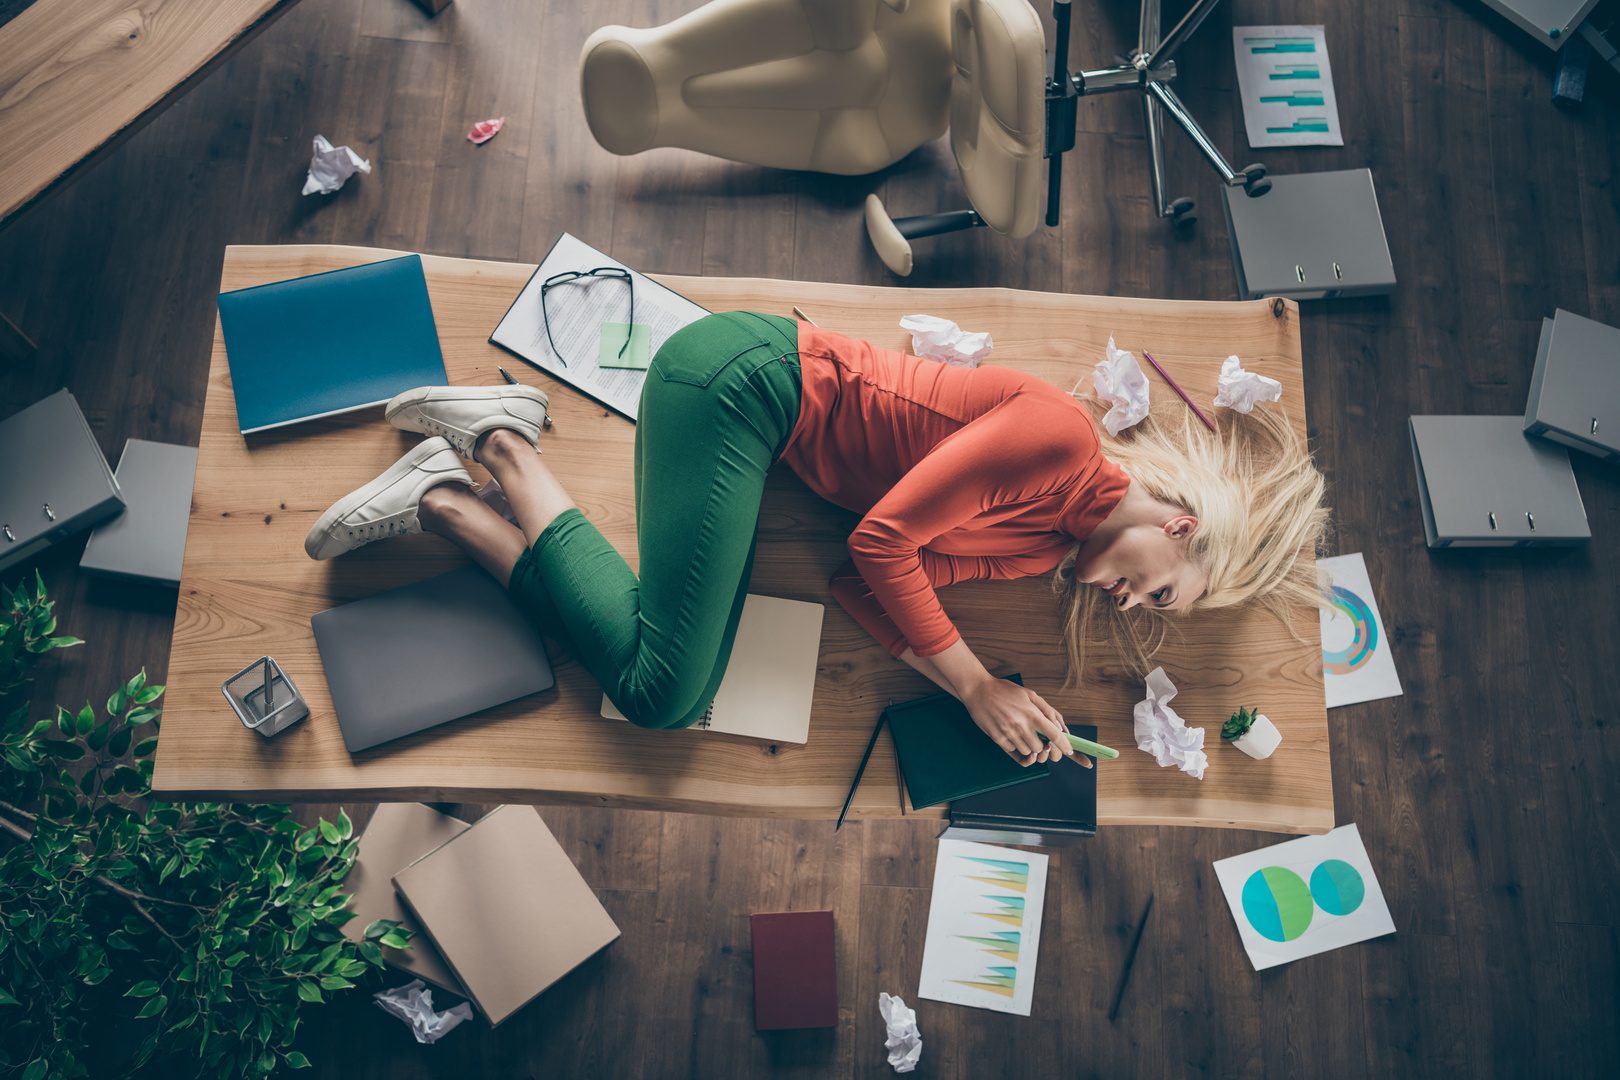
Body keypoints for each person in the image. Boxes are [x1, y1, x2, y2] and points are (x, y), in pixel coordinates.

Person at [305, 312, 1327, 766]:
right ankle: (493, 450)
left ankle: (457, 488)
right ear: (1177, 526)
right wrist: (975, 685)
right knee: (664, 695)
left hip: (762, 443)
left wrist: (986, 702)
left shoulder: (1038, 553)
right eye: (1160, 591)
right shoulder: (1061, 439)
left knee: (670, 696)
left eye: (1150, 614)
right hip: (741, 385)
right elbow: (885, 542)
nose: (1132, 606)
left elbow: (853, 587)